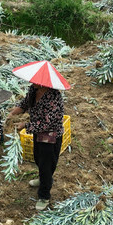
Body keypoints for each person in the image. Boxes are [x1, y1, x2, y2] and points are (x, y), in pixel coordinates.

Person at [8, 60, 70, 211]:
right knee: (38, 158)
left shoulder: (54, 98)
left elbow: (47, 123)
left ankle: (44, 195)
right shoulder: (34, 90)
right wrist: (15, 111)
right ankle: (43, 178)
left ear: (43, 83)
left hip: (50, 135)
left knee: (47, 164)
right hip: (37, 133)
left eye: (35, 80)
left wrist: (25, 125)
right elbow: (25, 102)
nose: (31, 81)